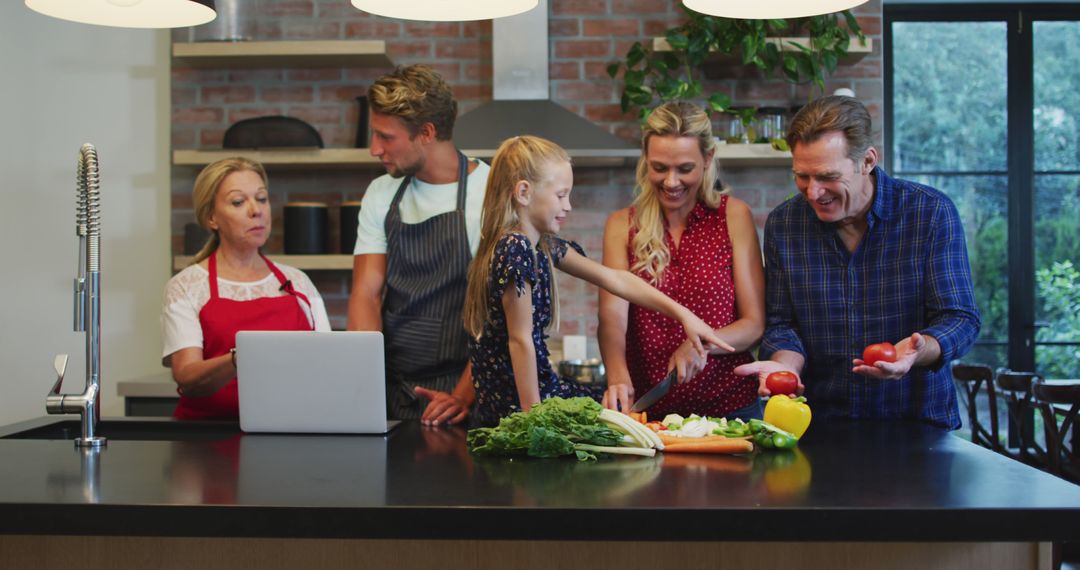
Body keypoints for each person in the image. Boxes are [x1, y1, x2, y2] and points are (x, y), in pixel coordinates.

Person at [734, 95, 981, 429]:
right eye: (802, 176)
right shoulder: (785, 224)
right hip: (819, 425)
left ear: (867, 161)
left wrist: (916, 351)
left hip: (917, 424)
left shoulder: (930, 213)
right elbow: (782, 323)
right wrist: (785, 367)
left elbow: (960, 318)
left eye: (827, 176)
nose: (813, 192)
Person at [462, 135, 732, 426]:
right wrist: (533, 421)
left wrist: (684, 316)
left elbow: (616, 279)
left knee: (614, 412)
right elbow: (520, 340)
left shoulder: (542, 246)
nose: (568, 206)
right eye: (561, 195)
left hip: (530, 398)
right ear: (524, 192)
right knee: (617, 418)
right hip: (518, 409)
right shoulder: (515, 247)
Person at [598, 101, 766, 420]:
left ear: (708, 159)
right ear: (645, 160)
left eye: (684, 169)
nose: (671, 181)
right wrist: (617, 376)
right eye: (659, 167)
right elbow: (612, 319)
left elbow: (754, 324)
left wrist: (701, 343)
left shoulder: (733, 216)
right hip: (651, 413)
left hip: (731, 410)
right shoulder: (622, 226)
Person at [347, 64, 490, 425]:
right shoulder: (382, 192)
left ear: (426, 132)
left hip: (468, 393)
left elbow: (498, 312)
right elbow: (366, 293)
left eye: (386, 137)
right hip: (394, 390)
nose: (373, 149)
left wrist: (461, 396)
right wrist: (362, 385)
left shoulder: (490, 192)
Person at [162, 158, 331, 420]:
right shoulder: (186, 286)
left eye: (261, 199)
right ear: (211, 217)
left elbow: (328, 365)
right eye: (238, 202)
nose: (256, 210)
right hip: (206, 441)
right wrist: (242, 357)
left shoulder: (298, 282)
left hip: (292, 432)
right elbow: (187, 376)